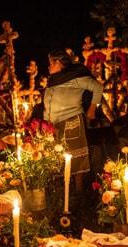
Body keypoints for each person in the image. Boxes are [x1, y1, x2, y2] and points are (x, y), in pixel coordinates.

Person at [44, 49, 103, 194]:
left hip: (72, 120)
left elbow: (97, 87)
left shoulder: (75, 77)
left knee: (76, 155)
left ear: (58, 62)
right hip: (55, 124)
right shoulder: (53, 81)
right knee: (57, 156)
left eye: (50, 63)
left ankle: (78, 191)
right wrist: (46, 123)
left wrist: (92, 109)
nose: (48, 67)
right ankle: (61, 190)